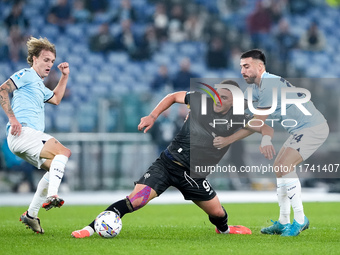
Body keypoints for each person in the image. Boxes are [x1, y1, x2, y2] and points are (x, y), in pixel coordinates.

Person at [71, 79, 275, 238]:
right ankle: (89, 229)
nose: (219, 99)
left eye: (226, 97)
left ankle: (224, 230)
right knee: (135, 201)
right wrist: (152, 116)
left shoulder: (239, 116)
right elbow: (173, 96)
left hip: (194, 176)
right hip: (167, 165)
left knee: (218, 214)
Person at [239, 49, 329, 236]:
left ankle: (300, 219)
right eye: (241, 67)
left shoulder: (269, 84)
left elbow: (257, 121)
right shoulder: (256, 87)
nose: (242, 71)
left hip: (312, 127)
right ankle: (283, 221)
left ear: (260, 66)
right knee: (279, 167)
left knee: (286, 165)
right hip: (300, 129)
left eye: (246, 66)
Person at [0, 36, 71, 234]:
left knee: (55, 167)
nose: (50, 64)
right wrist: (12, 119)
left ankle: (31, 215)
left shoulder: (39, 86)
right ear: (34, 59)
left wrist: (64, 76)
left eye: (52, 61)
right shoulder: (26, 74)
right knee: (64, 152)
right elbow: (2, 90)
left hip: (26, 139)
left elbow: (56, 98)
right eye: (46, 60)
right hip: (23, 132)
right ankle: (54, 195)